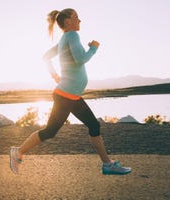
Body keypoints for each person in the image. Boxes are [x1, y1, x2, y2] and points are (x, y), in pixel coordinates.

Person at [10, 8, 131, 175]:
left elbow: (45, 57)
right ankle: (18, 151)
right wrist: (94, 48)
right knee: (53, 131)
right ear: (68, 21)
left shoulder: (64, 39)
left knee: (89, 126)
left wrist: (53, 74)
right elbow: (81, 59)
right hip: (66, 96)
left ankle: (107, 164)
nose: (80, 21)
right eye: (76, 18)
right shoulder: (72, 36)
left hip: (70, 96)